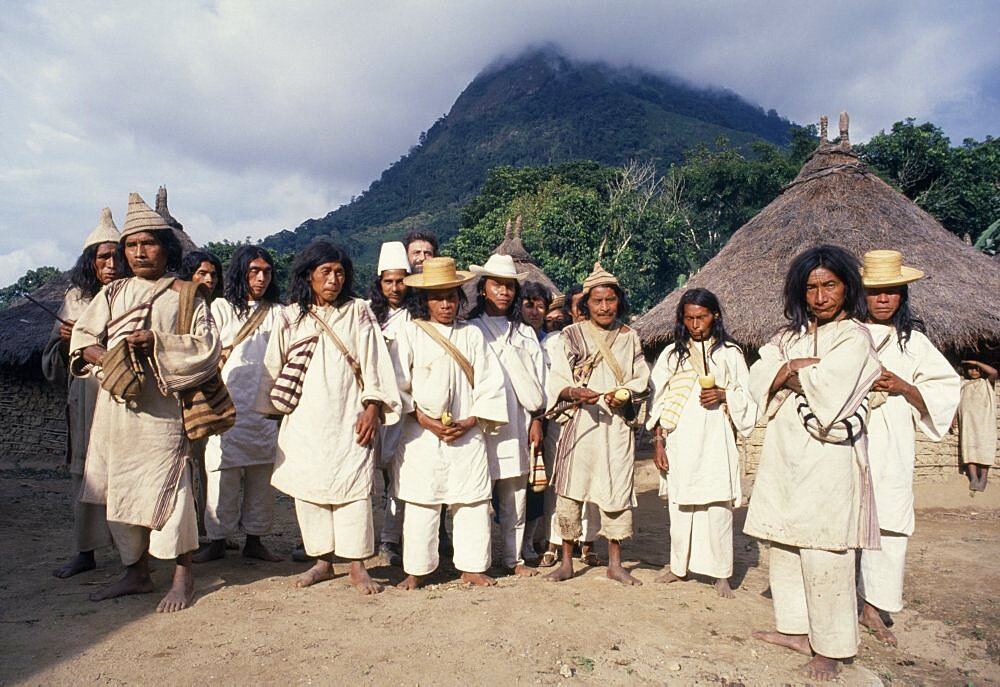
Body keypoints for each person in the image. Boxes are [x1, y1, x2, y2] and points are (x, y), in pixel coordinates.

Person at [69, 192, 221, 612]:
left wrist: (156, 341)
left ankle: (182, 574)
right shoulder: (113, 294)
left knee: (172, 489)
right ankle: (135, 571)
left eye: (148, 243)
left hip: (164, 412)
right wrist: (107, 358)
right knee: (119, 488)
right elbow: (83, 340)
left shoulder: (186, 294)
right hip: (117, 409)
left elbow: (207, 346)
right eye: (132, 245)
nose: (139, 252)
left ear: (165, 247)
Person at [744, 244, 881, 681]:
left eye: (829, 285)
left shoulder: (855, 338)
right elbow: (758, 375)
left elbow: (830, 390)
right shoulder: (790, 338)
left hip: (829, 462)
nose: (820, 296)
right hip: (786, 457)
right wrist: (790, 368)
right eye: (812, 288)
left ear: (846, 287)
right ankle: (798, 630)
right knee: (785, 547)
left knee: (825, 552)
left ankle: (833, 647)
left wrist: (787, 373)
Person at [255, 242, 400, 594]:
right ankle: (321, 561)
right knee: (310, 489)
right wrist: (275, 411)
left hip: (350, 415)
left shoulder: (359, 311)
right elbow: (272, 367)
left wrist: (372, 407)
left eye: (339, 272)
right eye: (326, 272)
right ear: (309, 276)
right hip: (305, 420)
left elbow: (375, 362)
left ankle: (356, 566)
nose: (334, 279)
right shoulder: (290, 317)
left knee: (353, 489)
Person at [856, 250, 960, 645]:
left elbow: (944, 390)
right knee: (846, 519)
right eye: (875, 292)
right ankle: (840, 600)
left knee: (890, 524)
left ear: (902, 295)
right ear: (862, 294)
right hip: (850, 440)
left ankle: (873, 607)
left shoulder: (914, 343)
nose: (883, 300)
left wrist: (902, 386)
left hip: (892, 444)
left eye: (891, 292)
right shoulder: (847, 333)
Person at [392, 257, 508, 589]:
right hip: (421, 435)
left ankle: (471, 566)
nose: (446, 304)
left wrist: (472, 419)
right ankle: (416, 568)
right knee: (421, 503)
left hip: (466, 433)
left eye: (452, 296)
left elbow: (490, 383)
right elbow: (399, 385)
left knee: (471, 501)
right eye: (438, 297)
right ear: (425, 300)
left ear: (460, 298)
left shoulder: (472, 335)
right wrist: (426, 420)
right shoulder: (410, 332)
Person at [544, 262, 649, 586]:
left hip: (615, 428)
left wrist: (626, 395)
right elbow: (557, 377)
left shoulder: (630, 338)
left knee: (616, 489)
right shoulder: (570, 335)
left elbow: (641, 378)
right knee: (571, 491)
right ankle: (566, 561)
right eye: (597, 301)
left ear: (619, 301)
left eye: (610, 300)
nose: (604, 307)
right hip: (582, 424)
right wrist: (573, 390)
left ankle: (615, 563)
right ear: (585, 304)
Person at [648, 288, 756, 598]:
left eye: (702, 317)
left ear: (715, 316)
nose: (696, 324)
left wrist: (724, 395)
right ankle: (678, 566)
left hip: (716, 439)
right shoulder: (672, 354)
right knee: (680, 505)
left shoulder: (730, 354)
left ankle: (721, 573)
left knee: (717, 505)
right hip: (680, 439)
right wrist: (658, 443)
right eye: (690, 318)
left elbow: (748, 397)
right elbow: (657, 401)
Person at [42, 208, 120, 578]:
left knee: (125, 468)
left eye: (116, 256)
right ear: (91, 261)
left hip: (125, 392)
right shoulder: (75, 298)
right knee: (86, 471)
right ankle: (86, 551)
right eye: (103, 256)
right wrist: (64, 343)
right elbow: (50, 362)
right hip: (87, 395)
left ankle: (134, 552)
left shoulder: (134, 294)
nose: (111, 262)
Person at [194, 246, 284, 564]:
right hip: (226, 405)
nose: (261, 277)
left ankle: (255, 540)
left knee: (261, 476)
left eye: (266, 272)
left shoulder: (278, 312)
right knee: (222, 474)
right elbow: (203, 348)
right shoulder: (219, 308)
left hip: (264, 406)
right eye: (253, 271)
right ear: (241, 273)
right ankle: (217, 540)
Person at [468, 255, 545, 577]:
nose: (503, 292)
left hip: (517, 424)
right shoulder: (470, 330)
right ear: (483, 289)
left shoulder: (524, 334)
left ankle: (513, 560)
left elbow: (539, 381)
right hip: (479, 426)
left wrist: (538, 420)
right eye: (496, 284)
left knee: (515, 494)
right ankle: (477, 561)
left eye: (509, 286)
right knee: (476, 497)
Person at [539, 283, 602, 568]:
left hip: (598, 418)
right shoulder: (556, 341)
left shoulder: (613, 337)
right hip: (562, 419)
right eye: (578, 305)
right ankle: (554, 540)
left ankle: (588, 542)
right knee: (559, 481)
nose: (583, 310)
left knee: (595, 481)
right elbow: (548, 382)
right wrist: (570, 394)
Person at [366, 241, 413, 566]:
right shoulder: (366, 312)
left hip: (404, 407)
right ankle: (356, 541)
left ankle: (390, 541)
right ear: (380, 283)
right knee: (361, 476)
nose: (396, 288)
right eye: (389, 281)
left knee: (398, 478)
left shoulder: (417, 315)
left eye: (401, 281)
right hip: (369, 405)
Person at [178, 249, 224, 538]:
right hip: (183, 395)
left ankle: (208, 528)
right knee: (185, 465)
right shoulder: (179, 306)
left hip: (210, 398)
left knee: (208, 465)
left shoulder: (218, 308)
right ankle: (189, 529)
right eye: (202, 273)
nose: (208, 279)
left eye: (213, 274)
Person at [519, 280, 553, 561]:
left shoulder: (553, 342)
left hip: (542, 420)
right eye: (528, 305)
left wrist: (539, 420)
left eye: (539, 306)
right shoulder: (510, 337)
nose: (534, 311)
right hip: (509, 420)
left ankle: (527, 541)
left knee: (535, 484)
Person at [958, 360, 998, 491]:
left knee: (984, 447)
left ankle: (983, 478)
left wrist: (976, 362)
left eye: (977, 369)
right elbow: (956, 402)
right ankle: (974, 477)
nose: (974, 371)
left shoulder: (986, 383)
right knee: (969, 448)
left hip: (984, 422)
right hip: (968, 422)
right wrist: (953, 416)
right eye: (971, 368)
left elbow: (994, 372)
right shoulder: (963, 384)